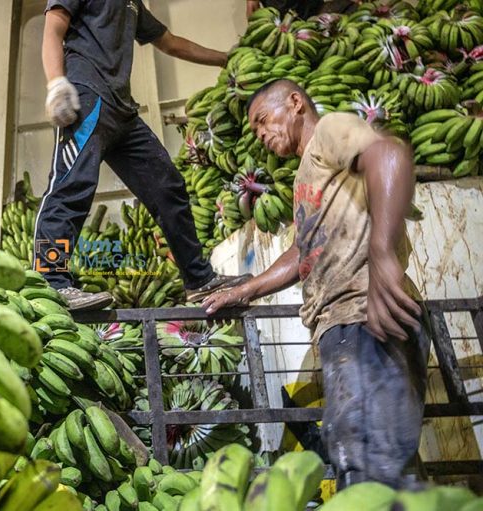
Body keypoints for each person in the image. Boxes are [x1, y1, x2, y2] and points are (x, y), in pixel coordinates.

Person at [203, 79, 430, 489]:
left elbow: (388, 155)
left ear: (295, 103)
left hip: (364, 314)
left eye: (263, 120)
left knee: (365, 459)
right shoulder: (307, 173)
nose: (261, 134)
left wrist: (382, 251)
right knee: (384, 461)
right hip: (346, 323)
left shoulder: (329, 131)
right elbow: (302, 251)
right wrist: (244, 290)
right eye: (255, 130)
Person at [35, 0, 251, 311]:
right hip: (87, 97)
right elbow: (53, 28)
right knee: (71, 189)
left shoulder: (132, 4)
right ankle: (52, 281)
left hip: (123, 111)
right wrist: (56, 83)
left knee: (168, 186)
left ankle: (198, 278)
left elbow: (171, 43)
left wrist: (224, 59)